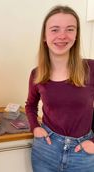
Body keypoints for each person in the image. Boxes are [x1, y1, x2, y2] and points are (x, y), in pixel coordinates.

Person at [25, 5, 94, 172]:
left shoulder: (91, 68)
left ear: (76, 35)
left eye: (70, 29)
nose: (62, 36)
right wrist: (35, 127)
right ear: (44, 36)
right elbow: (30, 105)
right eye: (55, 30)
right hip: (46, 150)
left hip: (83, 153)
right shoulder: (37, 74)